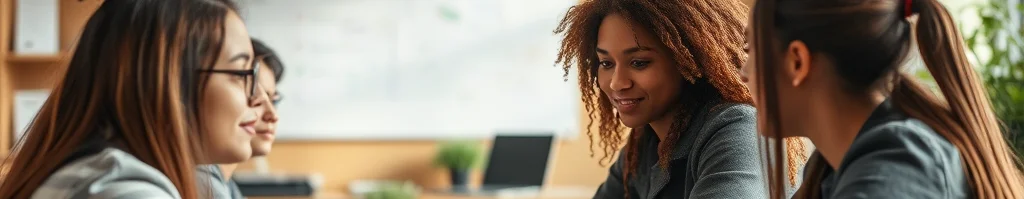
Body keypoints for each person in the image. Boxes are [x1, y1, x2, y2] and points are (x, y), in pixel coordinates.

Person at [743, 0, 1024, 198]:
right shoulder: (828, 172)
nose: (743, 73)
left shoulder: (899, 166)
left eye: (752, 50)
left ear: (797, 62)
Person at [0, 0, 265, 198]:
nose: (258, 97)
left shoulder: (96, 173)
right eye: (242, 73)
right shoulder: (125, 192)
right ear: (169, 81)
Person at [553, 0, 804, 198]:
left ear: (689, 60)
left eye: (639, 63)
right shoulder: (644, 142)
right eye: (606, 63)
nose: (617, 82)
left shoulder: (739, 129)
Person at [200, 38, 285, 199]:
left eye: (274, 100)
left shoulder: (226, 184)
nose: (273, 116)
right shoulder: (204, 184)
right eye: (251, 90)